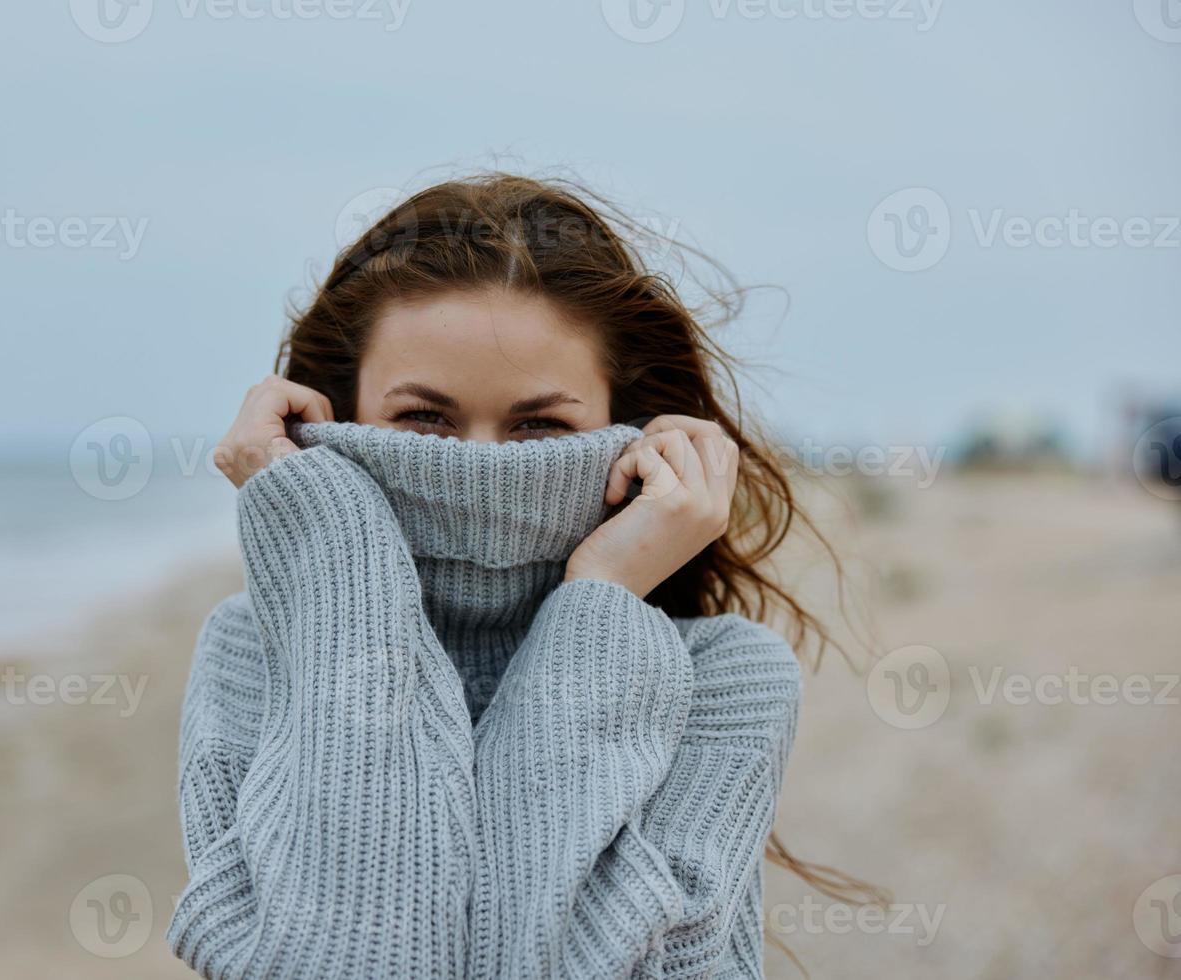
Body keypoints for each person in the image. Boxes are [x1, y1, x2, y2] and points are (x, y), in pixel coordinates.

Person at [168, 174, 855, 978]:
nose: (481, 470)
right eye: (424, 419)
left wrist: (599, 599)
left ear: (626, 429)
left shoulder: (726, 680)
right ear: (337, 417)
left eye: (541, 425)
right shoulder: (255, 653)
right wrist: (330, 543)